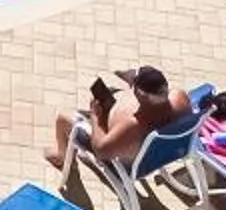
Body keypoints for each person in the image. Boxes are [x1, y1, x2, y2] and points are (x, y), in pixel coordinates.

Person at [47, 64, 183, 169]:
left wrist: (96, 117)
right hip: (164, 151)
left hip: (129, 161)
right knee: (112, 97)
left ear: (141, 95)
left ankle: (61, 156)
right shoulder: (180, 98)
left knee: (63, 118)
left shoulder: (133, 126)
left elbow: (101, 150)